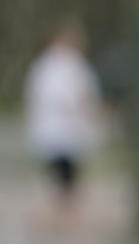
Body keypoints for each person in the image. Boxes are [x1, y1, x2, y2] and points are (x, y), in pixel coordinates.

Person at [23, 20, 102, 202]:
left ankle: (63, 213)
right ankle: (62, 213)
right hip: (58, 130)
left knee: (66, 175)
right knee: (61, 175)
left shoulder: (69, 64)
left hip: (67, 131)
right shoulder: (52, 66)